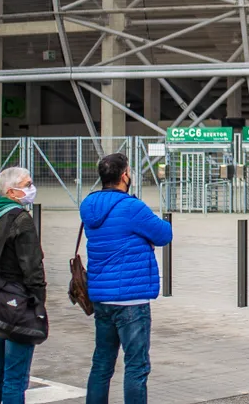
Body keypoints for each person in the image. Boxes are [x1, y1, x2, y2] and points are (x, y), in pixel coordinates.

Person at [80, 153, 173, 404]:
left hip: (101, 296)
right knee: (136, 366)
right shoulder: (132, 207)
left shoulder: (88, 205)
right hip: (131, 299)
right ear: (124, 176)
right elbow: (164, 234)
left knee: (101, 363)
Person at [0, 167, 47, 404]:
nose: (31, 189)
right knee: (16, 378)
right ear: (11, 192)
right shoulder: (21, 218)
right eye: (27, 185)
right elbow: (33, 268)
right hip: (19, 301)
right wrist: (38, 304)